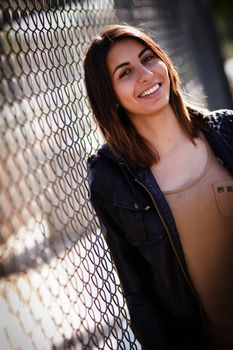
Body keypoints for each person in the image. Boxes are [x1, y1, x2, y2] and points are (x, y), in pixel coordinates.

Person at [83, 24, 233, 349]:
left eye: (148, 58)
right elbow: (139, 294)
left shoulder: (228, 131)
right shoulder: (114, 184)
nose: (146, 74)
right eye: (125, 73)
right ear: (109, 97)